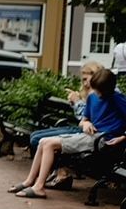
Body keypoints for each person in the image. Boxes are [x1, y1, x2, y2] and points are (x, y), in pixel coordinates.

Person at [8, 67, 126, 199]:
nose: (97, 93)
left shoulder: (117, 98)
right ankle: (29, 181)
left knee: (49, 145)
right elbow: (84, 119)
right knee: (42, 142)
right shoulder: (93, 97)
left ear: (108, 89)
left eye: (100, 90)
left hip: (103, 139)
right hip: (88, 136)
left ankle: (39, 187)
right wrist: (86, 123)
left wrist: (122, 137)